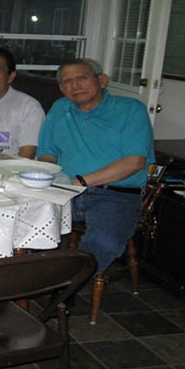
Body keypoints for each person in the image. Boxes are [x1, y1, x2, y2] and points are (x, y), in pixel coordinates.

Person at [36, 58, 155, 273]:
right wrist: (47, 178)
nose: (75, 86)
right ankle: (31, 279)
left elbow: (135, 162)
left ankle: (64, 284)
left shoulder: (131, 109)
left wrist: (80, 182)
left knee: (103, 242)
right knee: (27, 220)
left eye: (82, 78)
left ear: (102, 80)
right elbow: (47, 153)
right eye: (67, 82)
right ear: (61, 88)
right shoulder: (60, 107)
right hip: (64, 190)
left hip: (116, 194)